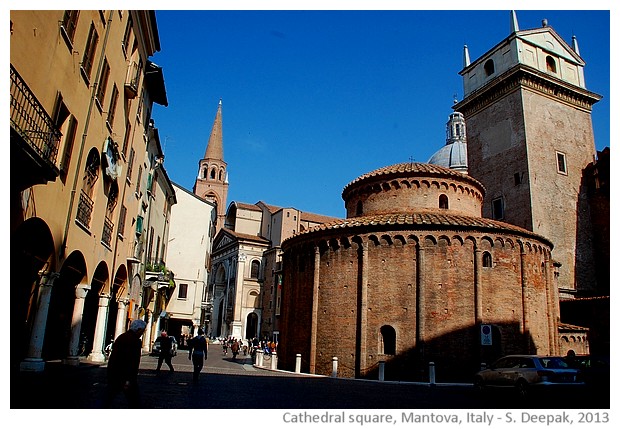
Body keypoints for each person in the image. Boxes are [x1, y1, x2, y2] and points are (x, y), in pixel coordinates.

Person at [103, 319, 146, 408]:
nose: (143, 333)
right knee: (134, 401)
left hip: (114, 373)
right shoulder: (135, 341)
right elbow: (132, 361)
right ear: (138, 329)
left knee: (108, 397)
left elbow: (114, 357)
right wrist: (129, 379)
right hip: (125, 376)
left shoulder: (122, 337)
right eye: (142, 331)